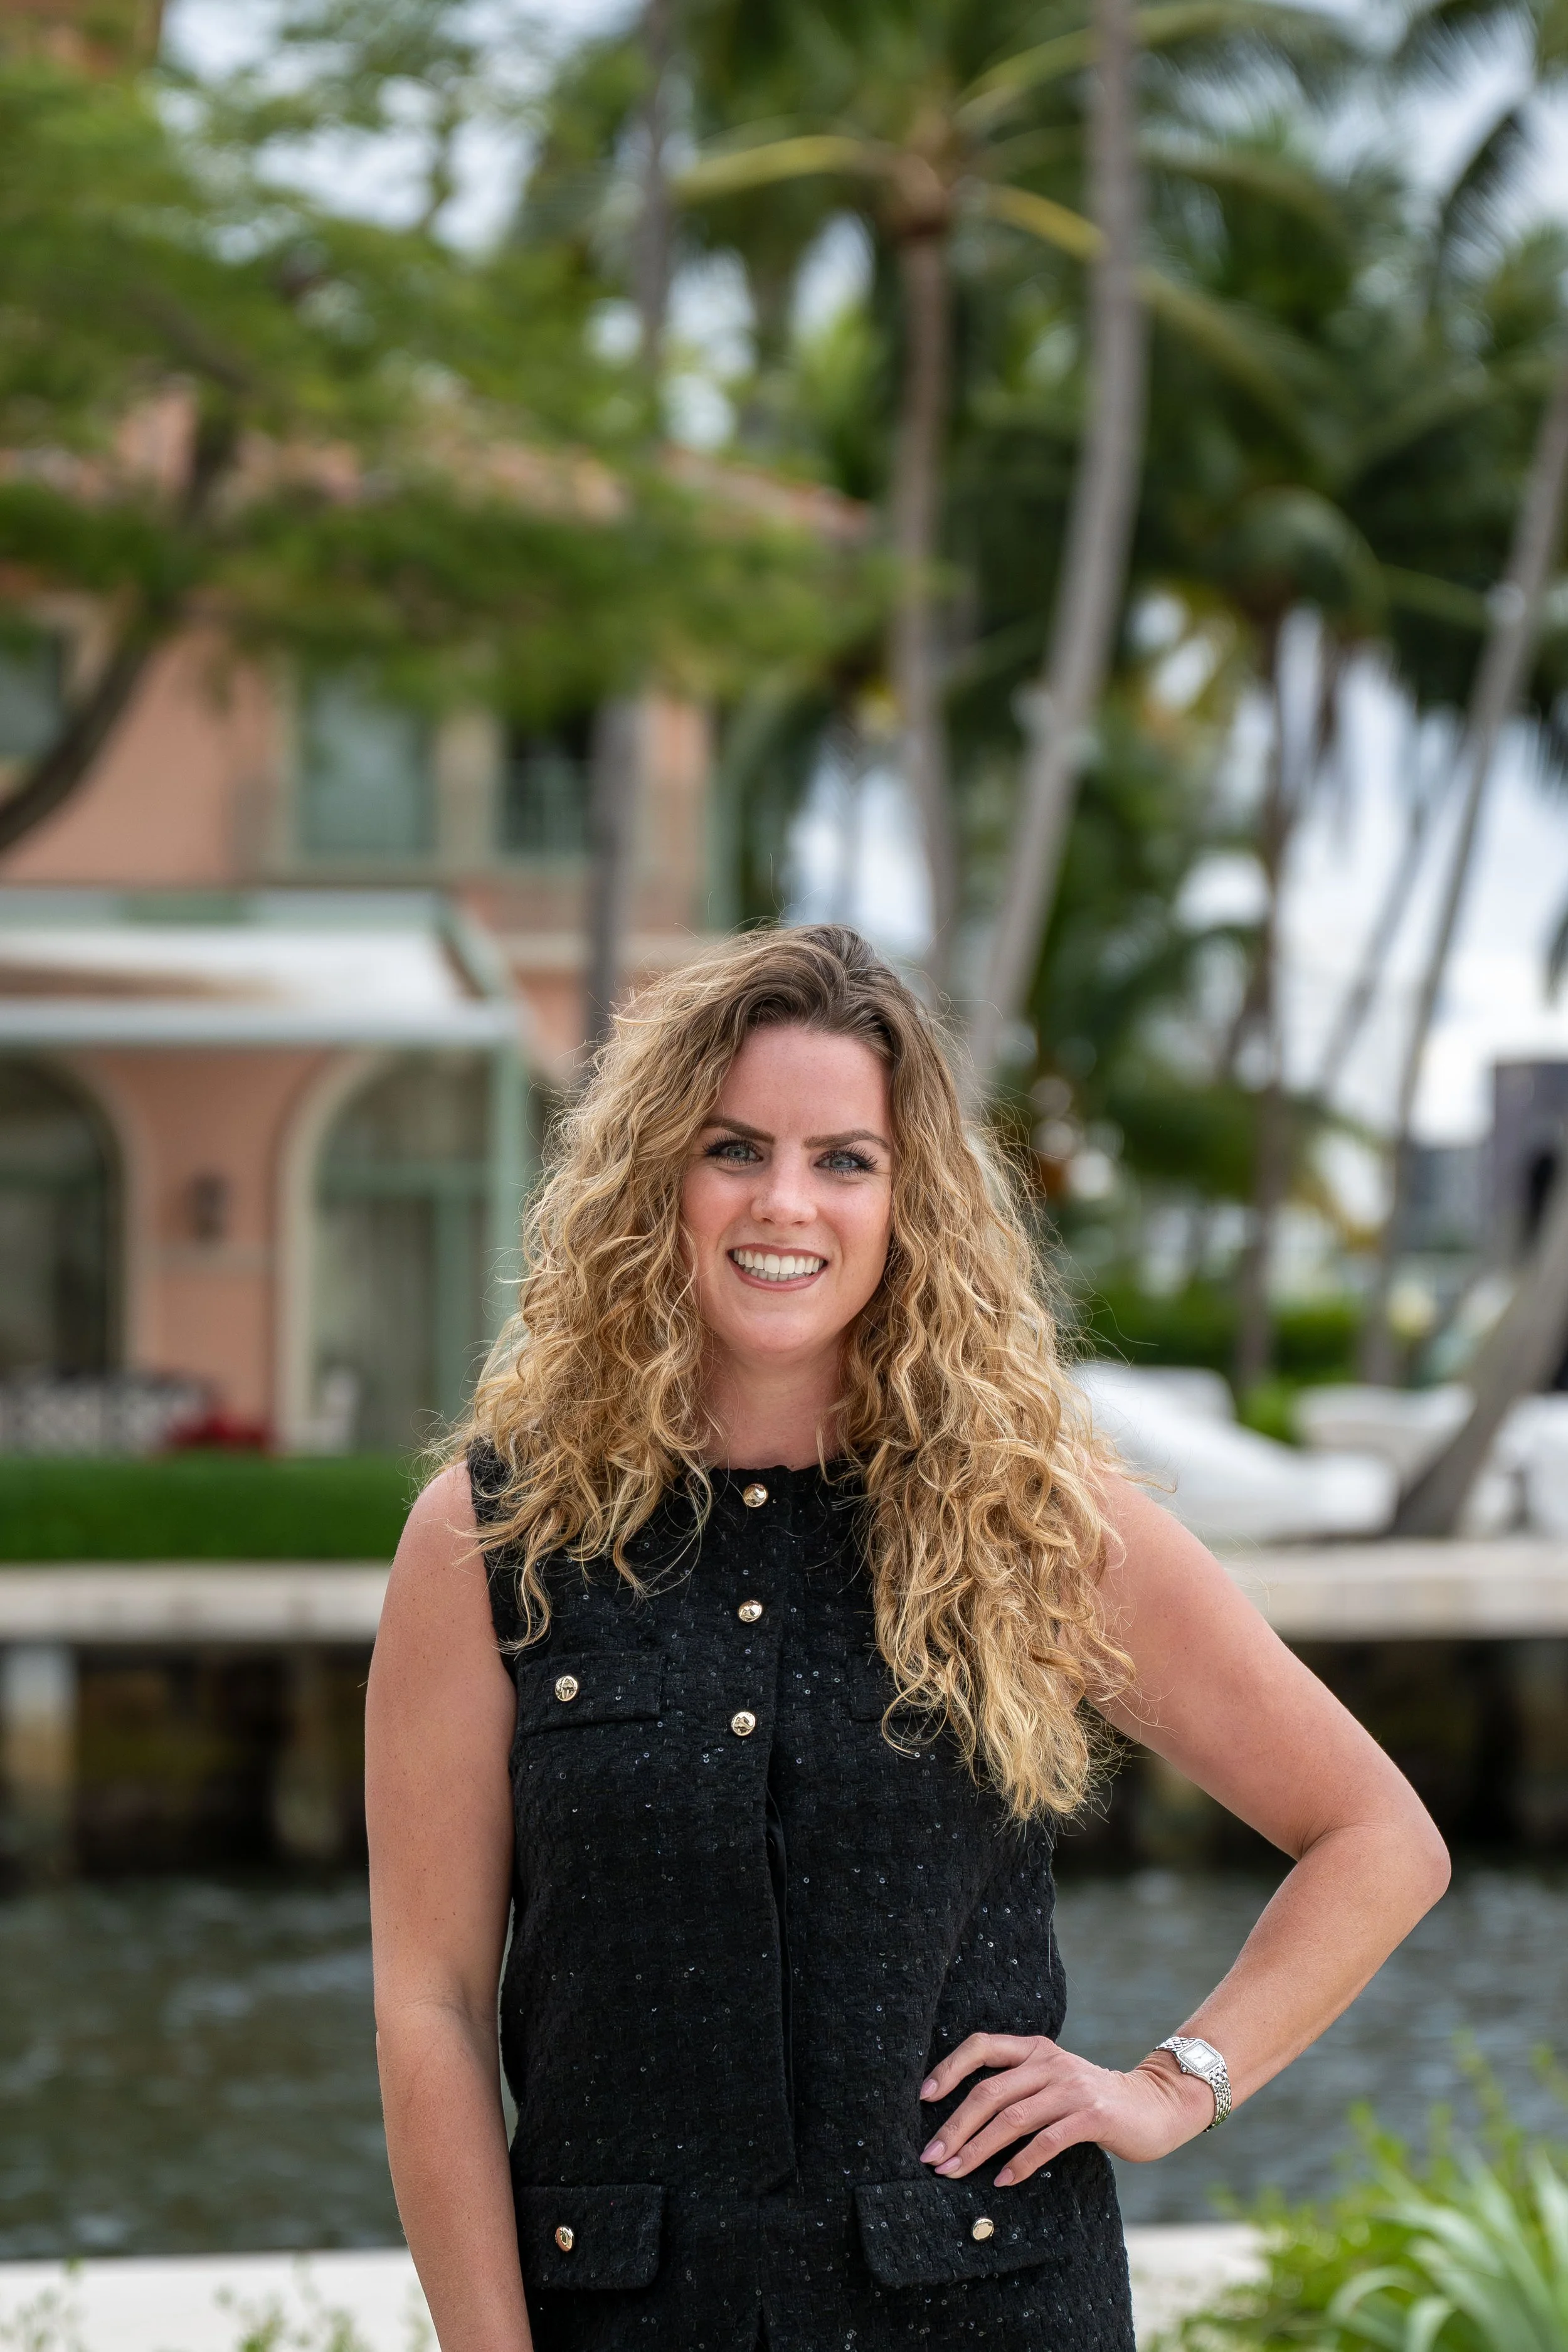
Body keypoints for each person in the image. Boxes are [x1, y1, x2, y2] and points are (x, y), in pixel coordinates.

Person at [366, 924, 1448, 2352]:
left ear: (908, 1198)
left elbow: (1377, 1835)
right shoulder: (490, 1538)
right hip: (622, 2317)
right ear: (652, 1182)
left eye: (844, 1160)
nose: (785, 1204)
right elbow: (428, 2004)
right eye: (733, 1148)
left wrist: (1174, 2084)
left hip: (990, 2310)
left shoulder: (1029, 1520)